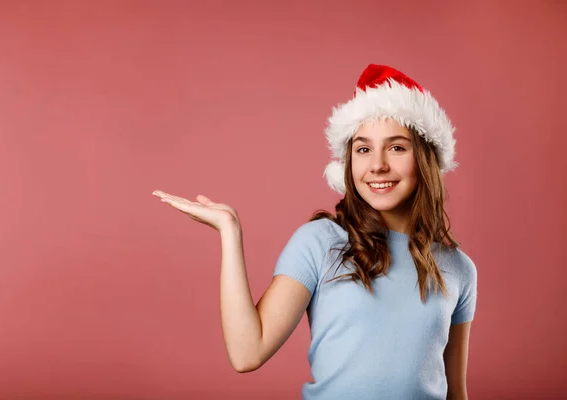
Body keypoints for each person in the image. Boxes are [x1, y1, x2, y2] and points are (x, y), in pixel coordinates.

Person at [153, 64, 477, 400]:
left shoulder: (459, 268)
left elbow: (455, 391)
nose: (378, 165)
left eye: (397, 147)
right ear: (348, 163)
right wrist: (229, 232)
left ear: (425, 159)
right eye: (363, 149)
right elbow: (247, 353)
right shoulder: (321, 242)